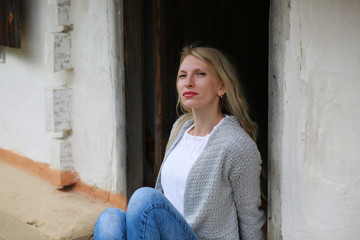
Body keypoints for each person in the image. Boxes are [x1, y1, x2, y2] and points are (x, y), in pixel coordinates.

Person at [94, 45, 266, 240]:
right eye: (182, 75)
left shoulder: (236, 144)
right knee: (109, 218)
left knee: (144, 199)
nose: (188, 82)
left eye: (200, 74)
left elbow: (250, 217)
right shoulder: (181, 128)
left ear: (222, 86)